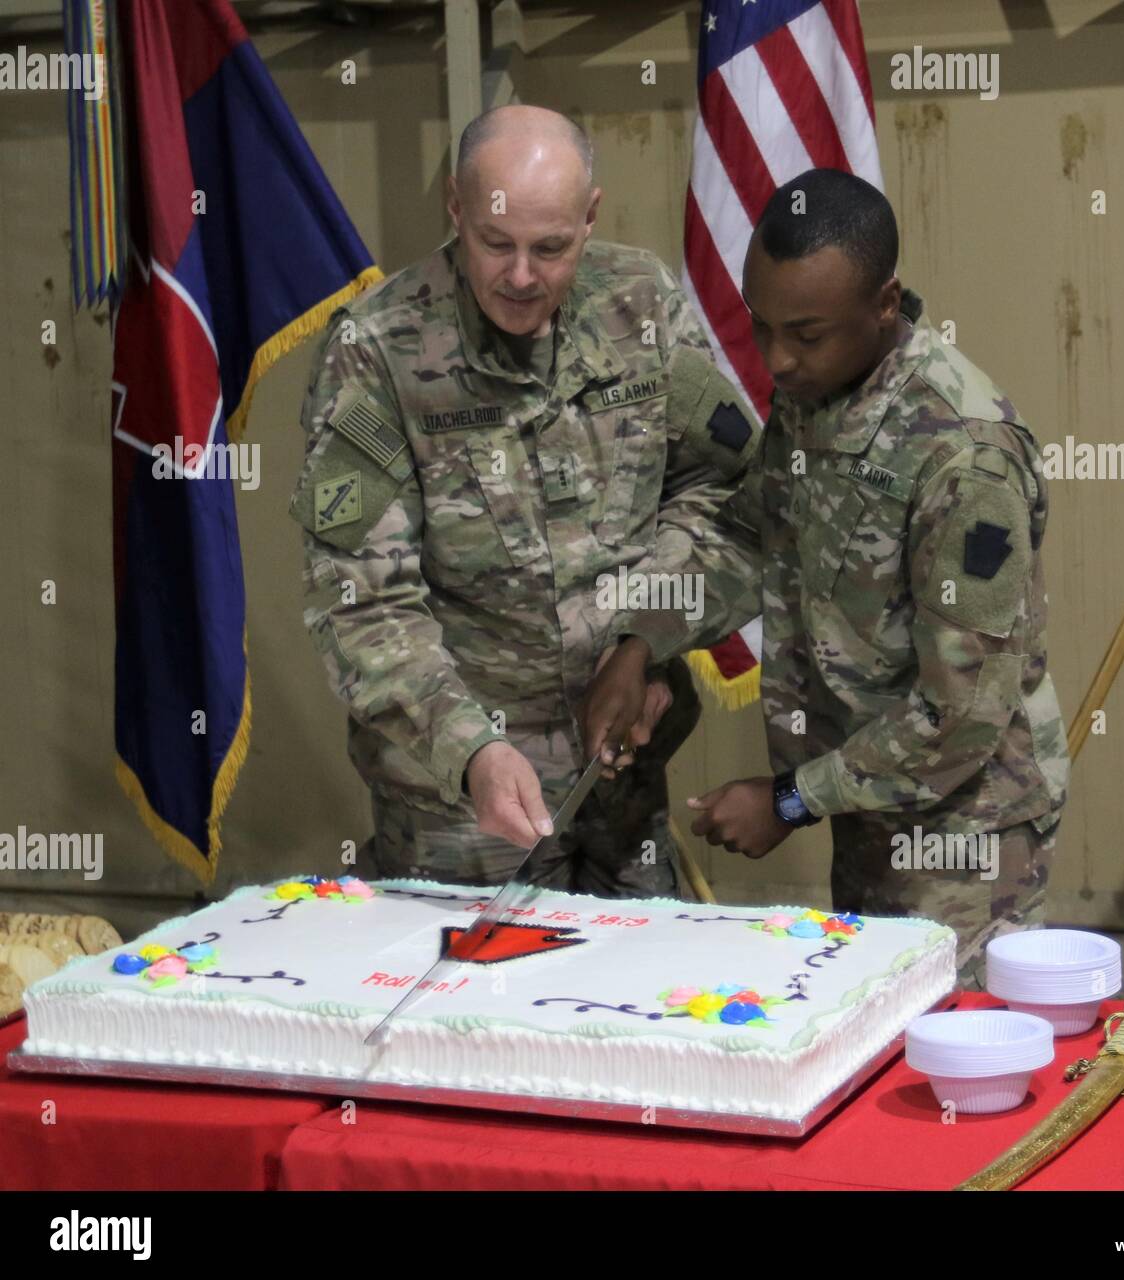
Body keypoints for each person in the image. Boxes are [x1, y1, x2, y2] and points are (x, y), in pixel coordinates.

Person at [592, 169, 1069, 987]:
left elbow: (958, 715)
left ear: (885, 305)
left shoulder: (965, 456)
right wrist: (639, 643)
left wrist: (788, 801)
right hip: (871, 810)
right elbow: (749, 537)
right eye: (761, 327)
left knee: (948, 1065)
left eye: (806, 335)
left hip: (965, 833)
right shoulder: (817, 397)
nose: (777, 359)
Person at [290, 104, 758, 896]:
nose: (520, 276)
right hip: (458, 812)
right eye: (494, 243)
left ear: (591, 218)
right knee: (479, 1014)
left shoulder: (639, 306)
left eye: (551, 248)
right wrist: (471, 749)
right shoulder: (380, 354)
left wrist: (646, 636)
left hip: (626, 772)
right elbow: (360, 601)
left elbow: (729, 489)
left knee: (645, 1007)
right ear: (455, 210)